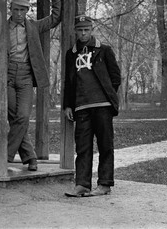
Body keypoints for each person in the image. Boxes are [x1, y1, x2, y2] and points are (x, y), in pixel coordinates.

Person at [0, 0, 64, 171]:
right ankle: (30, 158)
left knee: (23, 116)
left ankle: (3, 157)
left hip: (27, 76)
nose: (19, 14)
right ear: (10, 8)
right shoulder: (0, 27)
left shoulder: (33, 26)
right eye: (16, 9)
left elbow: (54, 19)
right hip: (7, 77)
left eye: (23, 10)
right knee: (16, 118)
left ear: (27, 11)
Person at [62, 15, 122, 197]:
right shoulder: (71, 54)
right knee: (82, 147)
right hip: (81, 107)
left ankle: (104, 184)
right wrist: (68, 105)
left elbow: (115, 77)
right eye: (80, 30)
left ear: (92, 30)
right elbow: (68, 82)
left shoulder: (103, 50)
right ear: (75, 31)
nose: (83, 33)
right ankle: (82, 184)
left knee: (105, 145)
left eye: (86, 30)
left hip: (102, 105)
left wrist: (107, 95)